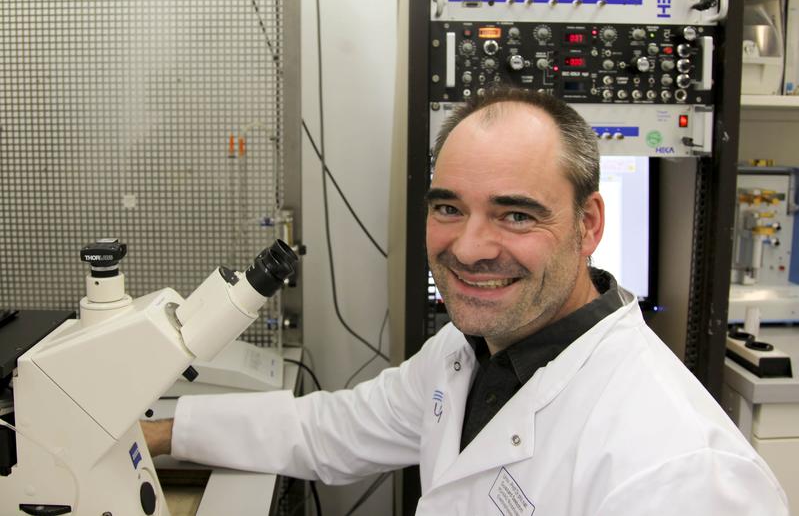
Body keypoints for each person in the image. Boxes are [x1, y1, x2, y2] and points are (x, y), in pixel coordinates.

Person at [144, 87, 788, 515]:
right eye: (449, 208)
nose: (471, 248)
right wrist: (158, 434)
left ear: (589, 225)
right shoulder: (467, 351)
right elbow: (330, 430)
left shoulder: (679, 472)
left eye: (515, 215)